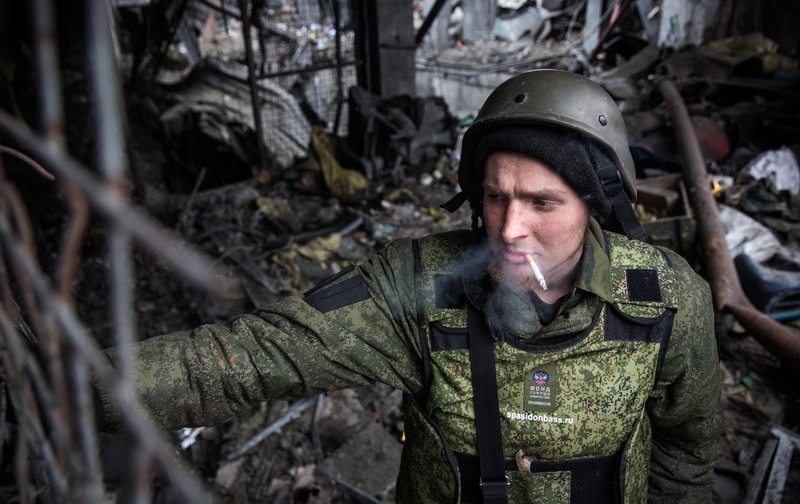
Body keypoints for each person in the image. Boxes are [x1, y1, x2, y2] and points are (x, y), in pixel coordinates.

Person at [97, 69, 725, 503]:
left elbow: (687, 454)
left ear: (596, 205)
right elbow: (254, 356)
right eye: (496, 197)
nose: (510, 229)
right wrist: (75, 386)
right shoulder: (420, 286)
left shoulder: (665, 301)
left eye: (543, 202)